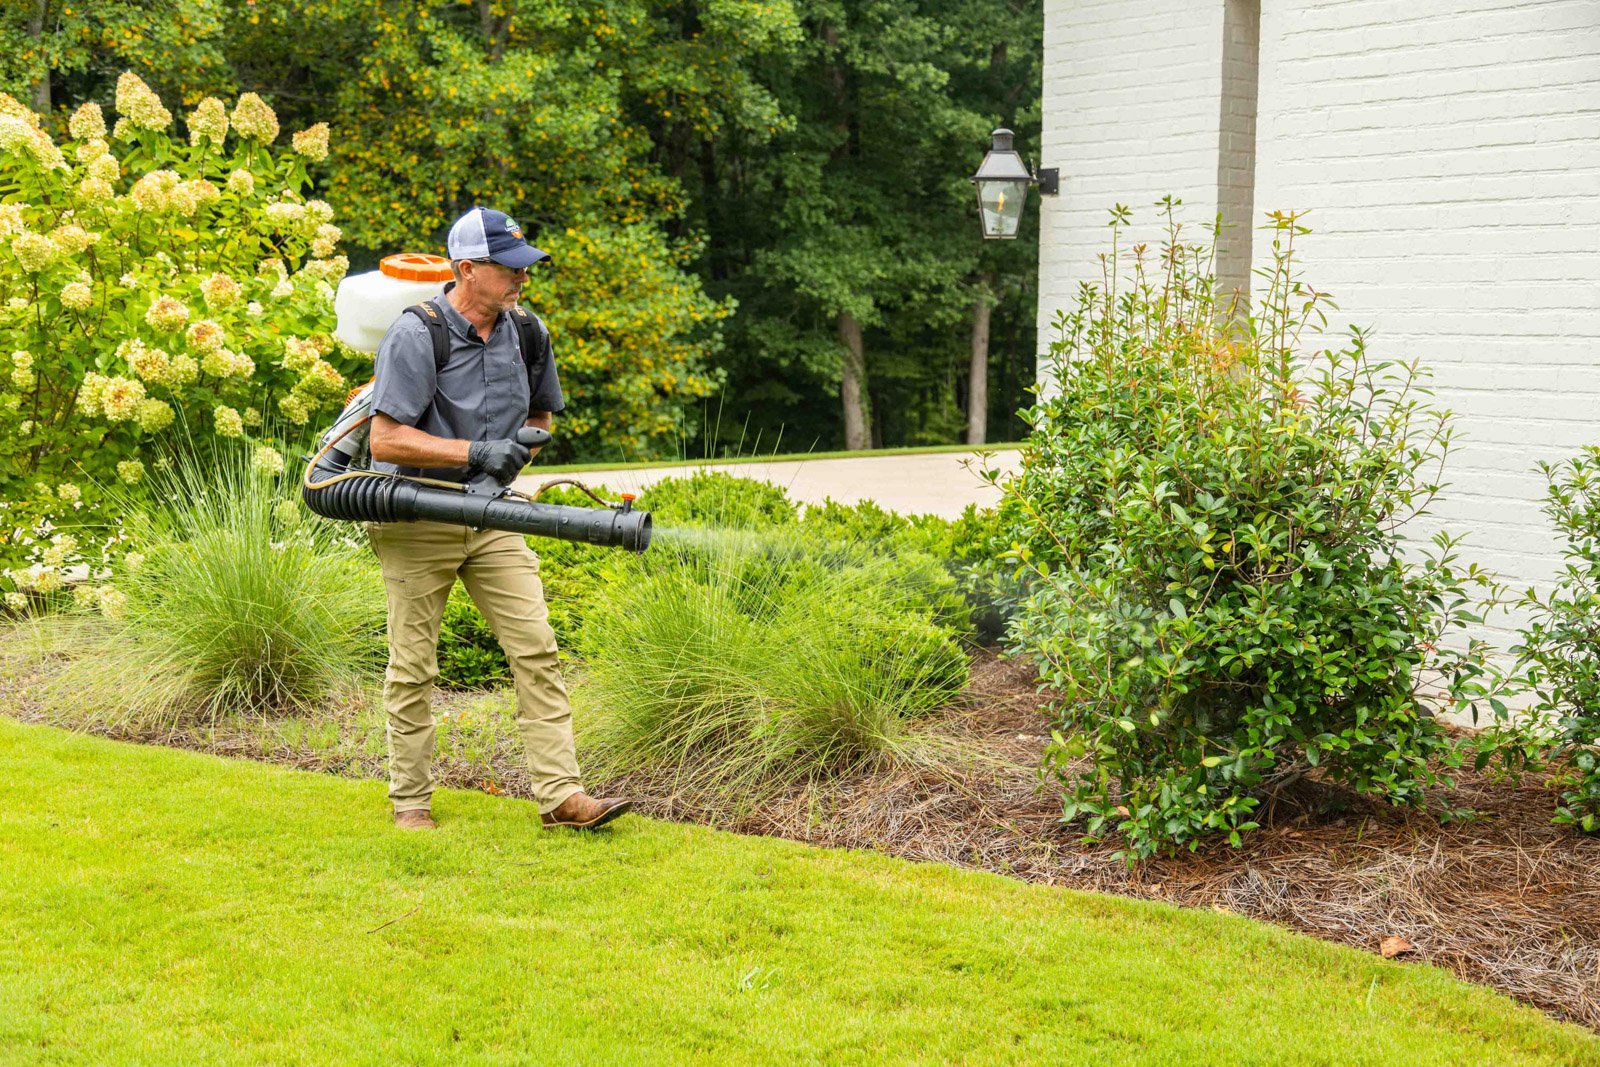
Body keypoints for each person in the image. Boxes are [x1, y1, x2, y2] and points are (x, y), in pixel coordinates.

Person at [364, 205, 629, 832]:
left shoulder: (528, 332)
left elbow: (542, 416)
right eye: (506, 268)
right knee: (413, 663)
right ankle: (411, 802)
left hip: (492, 515)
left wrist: (520, 449)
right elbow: (387, 440)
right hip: (417, 515)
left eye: (524, 266)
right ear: (466, 269)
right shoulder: (415, 334)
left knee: (536, 650)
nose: (521, 278)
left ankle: (562, 797)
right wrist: (475, 452)